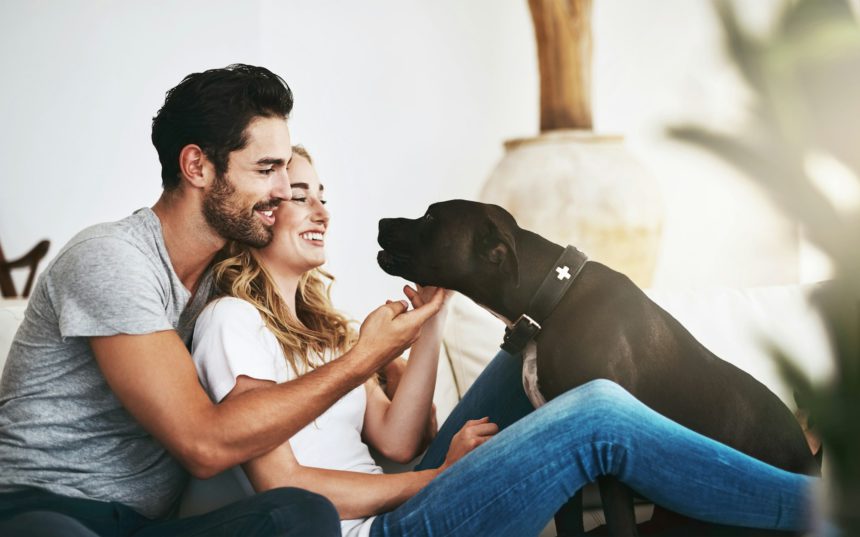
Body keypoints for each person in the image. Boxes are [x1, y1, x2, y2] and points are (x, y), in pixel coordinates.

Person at [191, 147, 818, 537]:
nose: (322, 211)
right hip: (383, 530)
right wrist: (435, 479)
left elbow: (397, 442)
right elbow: (289, 488)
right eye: (300, 197)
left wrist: (431, 317)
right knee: (597, 410)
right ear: (261, 216)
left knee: (527, 349)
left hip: (408, 492)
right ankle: (817, 508)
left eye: (323, 196)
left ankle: (775, 454)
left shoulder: (325, 329)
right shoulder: (231, 321)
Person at [0, 64, 444, 537]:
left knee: (299, 515)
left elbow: (283, 380)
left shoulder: (223, 283)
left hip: (144, 527)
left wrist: (386, 363)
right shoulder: (111, 260)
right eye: (266, 169)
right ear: (196, 167)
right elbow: (203, 444)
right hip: (45, 510)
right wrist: (363, 360)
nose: (280, 190)